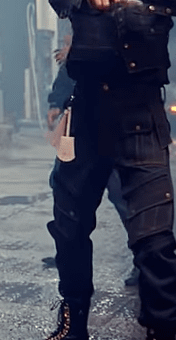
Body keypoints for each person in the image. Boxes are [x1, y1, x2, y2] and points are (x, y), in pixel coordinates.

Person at [44, 0, 176, 340]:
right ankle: (73, 325)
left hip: (141, 116)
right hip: (86, 115)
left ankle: (162, 330)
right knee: (69, 228)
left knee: (154, 240)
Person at [45, 39, 139, 287]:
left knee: (121, 196)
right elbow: (66, 77)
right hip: (75, 130)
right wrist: (56, 103)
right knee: (62, 189)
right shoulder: (77, 39)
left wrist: (79, 51)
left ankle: (143, 259)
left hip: (111, 131)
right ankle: (66, 252)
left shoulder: (115, 38)